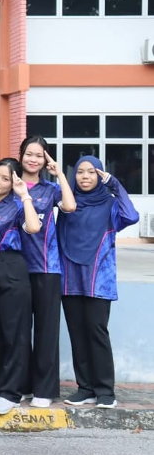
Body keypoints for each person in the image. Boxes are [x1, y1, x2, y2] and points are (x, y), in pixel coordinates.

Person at [58, 156, 139, 409]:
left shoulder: (110, 205)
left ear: (100, 176)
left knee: (96, 333)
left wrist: (114, 184)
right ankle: (85, 389)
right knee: (77, 334)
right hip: (70, 278)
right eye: (80, 172)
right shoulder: (68, 204)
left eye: (91, 172)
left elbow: (132, 216)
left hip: (98, 280)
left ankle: (105, 391)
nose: (85, 176)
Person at [0, 158, 42, 416]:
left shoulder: (17, 204)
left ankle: (12, 393)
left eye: (5, 178)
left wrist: (24, 195)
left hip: (10, 268)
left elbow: (33, 227)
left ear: (14, 182)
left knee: (14, 334)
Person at [17, 136, 76, 408]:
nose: (33, 159)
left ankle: (44, 389)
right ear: (20, 156)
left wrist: (60, 173)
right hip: (16, 269)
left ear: (45, 160)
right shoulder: (11, 186)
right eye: (29, 154)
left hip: (46, 268)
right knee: (18, 331)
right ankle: (21, 386)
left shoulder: (50, 189)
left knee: (46, 331)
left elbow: (70, 206)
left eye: (39, 155)